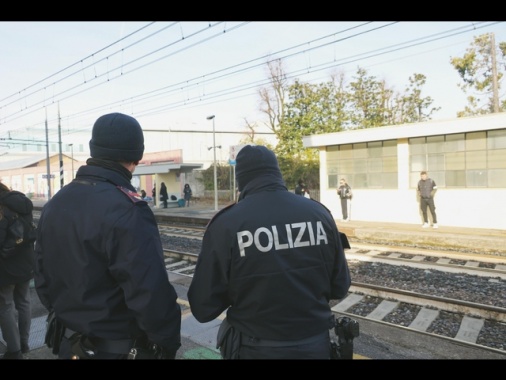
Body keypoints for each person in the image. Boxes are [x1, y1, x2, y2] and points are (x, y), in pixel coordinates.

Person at [33, 112, 181, 359]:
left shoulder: (56, 203)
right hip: (117, 348)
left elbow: (41, 275)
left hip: (69, 343)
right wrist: (167, 343)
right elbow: (149, 293)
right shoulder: (128, 210)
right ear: (137, 155)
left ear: (95, 150)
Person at [188, 145, 351, 360]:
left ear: (241, 179)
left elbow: (202, 307)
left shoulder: (226, 224)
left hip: (253, 347)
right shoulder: (319, 214)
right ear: (277, 172)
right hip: (315, 346)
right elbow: (340, 286)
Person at [0, 182, 35, 359]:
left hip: (5, 265)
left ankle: (14, 350)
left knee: (5, 305)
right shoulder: (22, 201)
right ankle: (24, 343)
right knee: (24, 301)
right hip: (26, 261)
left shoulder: (2, 207)